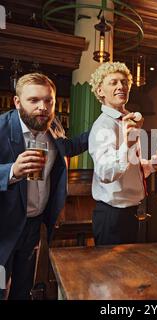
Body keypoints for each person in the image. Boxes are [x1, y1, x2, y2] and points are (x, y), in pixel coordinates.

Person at [0, 73, 89, 300]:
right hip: (3, 228)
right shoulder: (1, 129)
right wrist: (11, 171)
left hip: (33, 226)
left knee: (22, 288)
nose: (43, 107)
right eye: (34, 100)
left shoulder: (53, 126)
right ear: (17, 102)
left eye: (48, 100)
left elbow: (69, 147)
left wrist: (107, 124)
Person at [89, 62, 152, 246]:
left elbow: (128, 170)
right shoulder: (103, 126)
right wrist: (128, 144)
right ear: (100, 91)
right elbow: (106, 174)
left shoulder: (125, 121)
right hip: (112, 216)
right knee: (110, 275)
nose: (121, 86)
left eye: (124, 82)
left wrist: (150, 165)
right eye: (113, 82)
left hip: (130, 214)